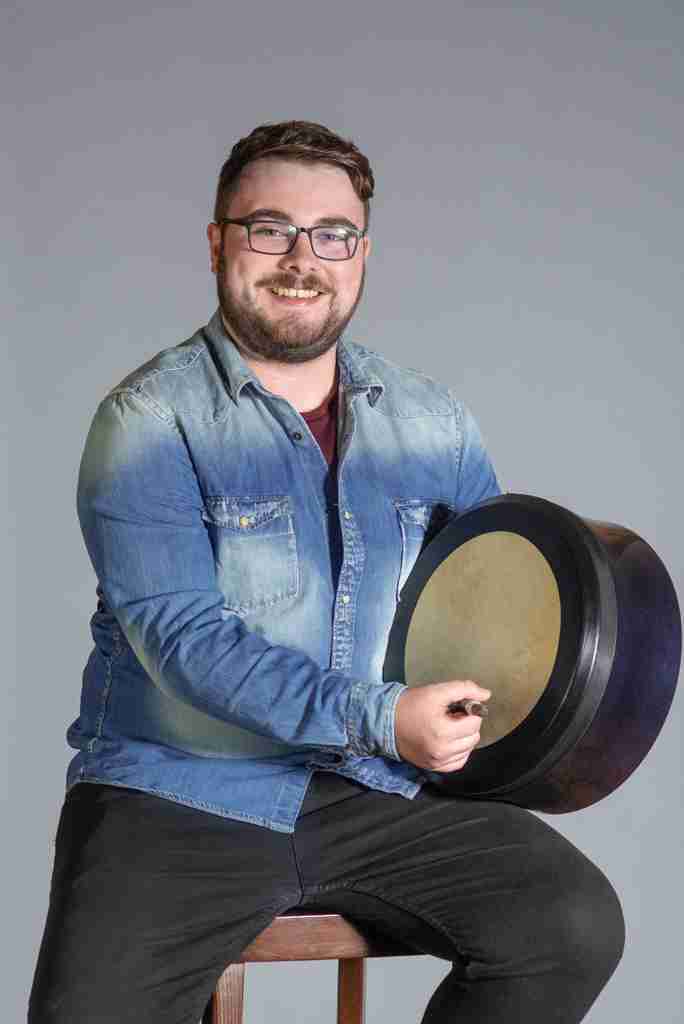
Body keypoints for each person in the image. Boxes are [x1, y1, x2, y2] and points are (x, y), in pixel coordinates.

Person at [29, 120, 624, 1023]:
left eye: (333, 235)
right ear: (218, 244)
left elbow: (489, 599)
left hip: (372, 791)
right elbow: (186, 642)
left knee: (569, 925)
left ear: (362, 255)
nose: (302, 259)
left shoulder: (432, 422)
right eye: (270, 229)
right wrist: (385, 718)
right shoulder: (148, 420)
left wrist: (533, 720)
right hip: (179, 790)